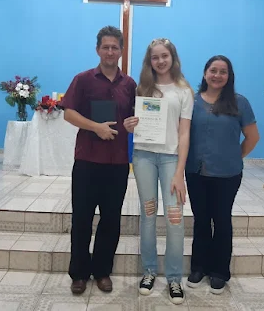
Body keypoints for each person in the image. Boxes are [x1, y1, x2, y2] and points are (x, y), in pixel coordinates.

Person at [60, 26, 137, 295]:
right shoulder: (83, 80)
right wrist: (96, 127)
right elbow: (68, 114)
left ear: (121, 51)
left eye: (115, 47)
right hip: (87, 161)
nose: (110, 51)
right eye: (105, 47)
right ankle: (79, 273)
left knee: (111, 220)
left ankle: (102, 271)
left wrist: (134, 123)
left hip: (117, 163)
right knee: (82, 218)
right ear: (97, 50)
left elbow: (133, 118)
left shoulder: (130, 84)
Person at [124, 38, 194, 305]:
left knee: (175, 217)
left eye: (165, 56)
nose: (160, 61)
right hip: (143, 156)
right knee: (149, 214)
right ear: (149, 61)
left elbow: (184, 132)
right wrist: (130, 126)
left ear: (173, 57)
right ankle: (150, 271)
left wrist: (180, 172)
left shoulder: (184, 91)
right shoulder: (142, 87)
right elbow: (134, 122)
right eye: (155, 57)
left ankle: (174, 277)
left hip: (170, 160)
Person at [185, 55, 259, 294]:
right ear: (205, 73)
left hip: (227, 174)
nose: (217, 75)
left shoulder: (240, 103)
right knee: (201, 220)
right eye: (213, 70)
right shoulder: (191, 102)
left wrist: (234, 157)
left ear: (229, 76)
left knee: (222, 220)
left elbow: (252, 138)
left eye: (223, 71)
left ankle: (219, 271)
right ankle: (199, 267)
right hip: (195, 171)